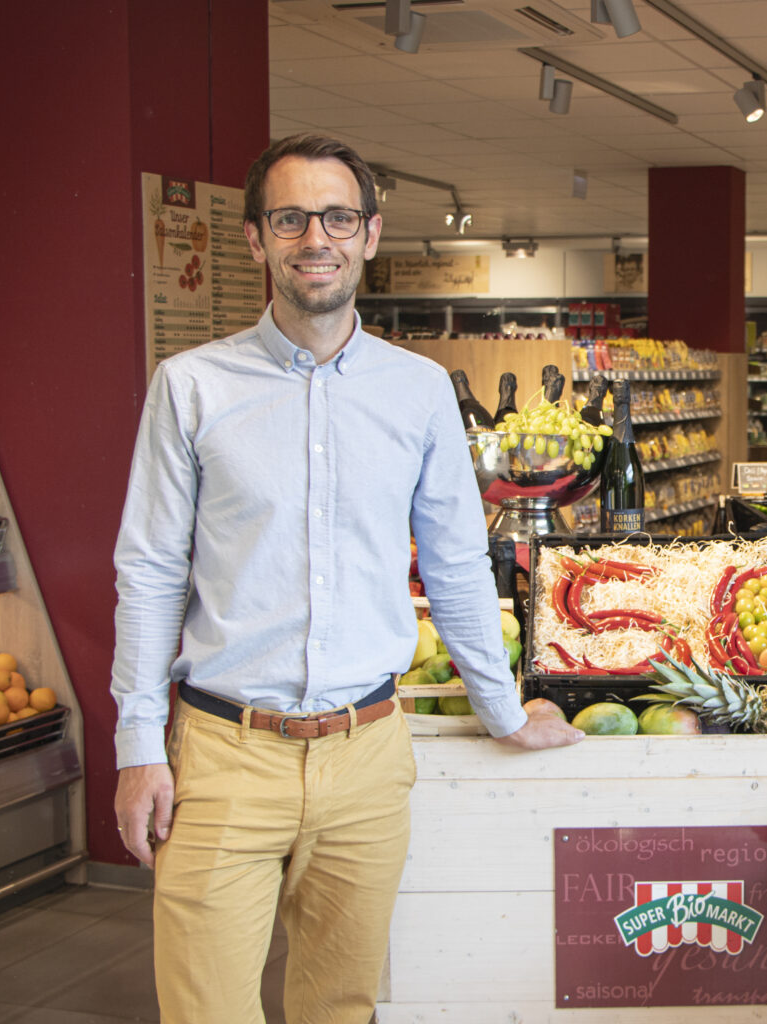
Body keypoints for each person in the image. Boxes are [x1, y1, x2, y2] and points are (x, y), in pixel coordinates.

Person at [110, 133, 583, 1024]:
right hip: (223, 754)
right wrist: (139, 747)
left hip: (367, 752)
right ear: (256, 240)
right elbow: (150, 573)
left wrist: (503, 709)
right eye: (289, 219)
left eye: (335, 217)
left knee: (343, 1007)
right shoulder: (191, 387)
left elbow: (455, 564)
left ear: (369, 234)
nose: (313, 238)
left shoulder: (419, 391)